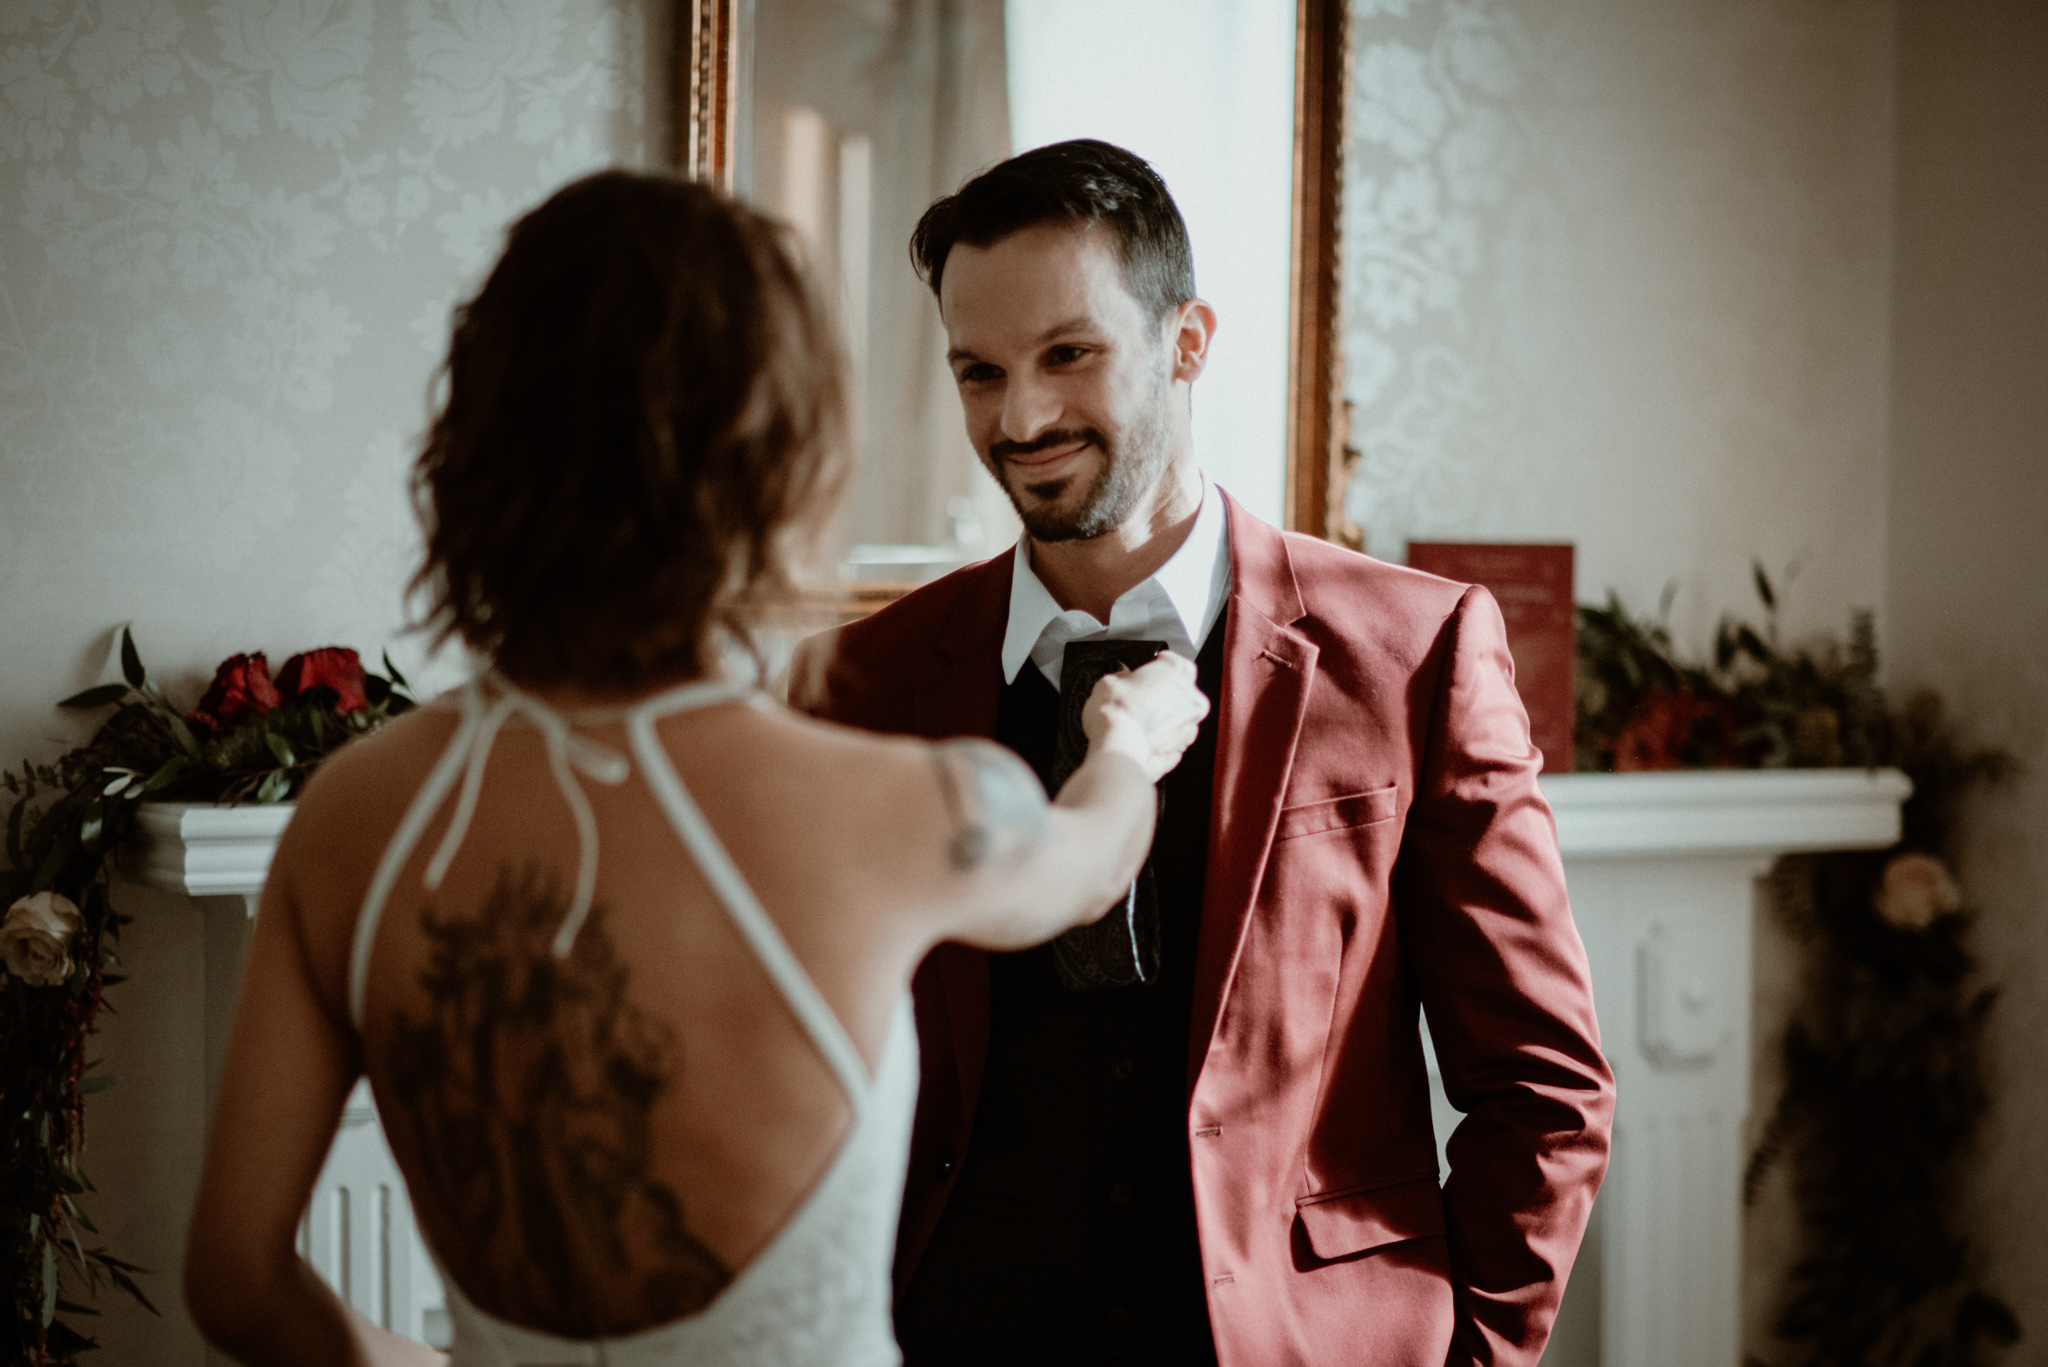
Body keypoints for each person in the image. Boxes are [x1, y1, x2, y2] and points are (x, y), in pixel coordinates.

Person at [181, 169, 1209, 1367]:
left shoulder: (352, 816)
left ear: (477, 441)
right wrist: (1126, 738)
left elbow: (236, 1285)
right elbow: (1088, 862)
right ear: (781, 458)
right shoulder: (903, 803)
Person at [793, 139, 1616, 1366]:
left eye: (1068, 354)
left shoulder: (1415, 650)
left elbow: (1542, 1084)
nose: (1020, 418)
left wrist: (1480, 1357)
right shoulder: (864, 680)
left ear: (1186, 341)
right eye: (980, 371)